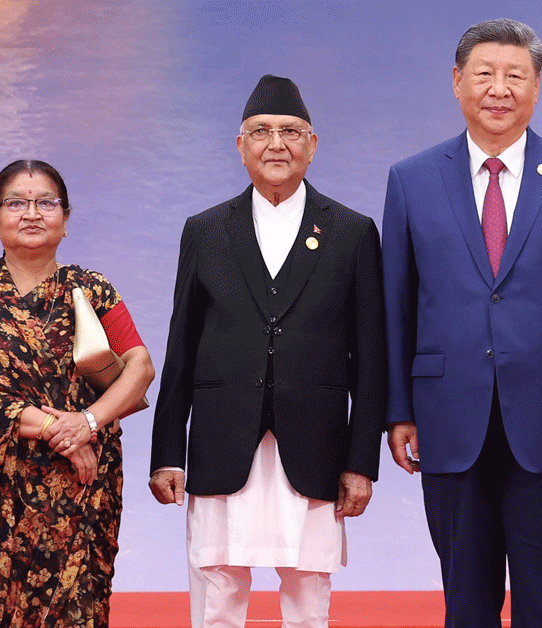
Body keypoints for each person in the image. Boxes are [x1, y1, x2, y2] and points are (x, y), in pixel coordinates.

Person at [381, 18, 542, 628]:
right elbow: (397, 305)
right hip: (448, 417)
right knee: (466, 603)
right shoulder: (412, 180)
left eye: (515, 75)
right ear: (457, 81)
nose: (500, 89)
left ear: (537, 86)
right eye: (485, 74)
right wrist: (398, 411)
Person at [148, 74, 386, 628]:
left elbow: (371, 360)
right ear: (240, 146)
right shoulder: (206, 230)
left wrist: (361, 462)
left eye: (290, 132)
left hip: (315, 443)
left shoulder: (352, 232)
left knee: (308, 590)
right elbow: (180, 347)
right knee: (218, 587)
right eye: (261, 132)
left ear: (313, 145)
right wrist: (167, 452)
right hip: (221, 439)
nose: (275, 144)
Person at [0, 159, 155, 627]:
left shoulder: (92, 289)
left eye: (46, 203)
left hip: (87, 486)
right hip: (7, 490)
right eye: (16, 204)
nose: (32, 213)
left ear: (66, 218)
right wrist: (66, 432)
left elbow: (139, 367)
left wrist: (89, 422)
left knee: (84, 606)